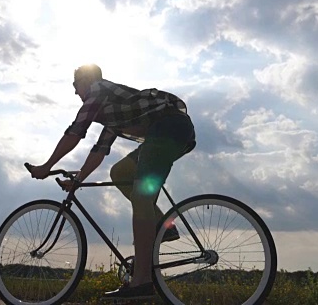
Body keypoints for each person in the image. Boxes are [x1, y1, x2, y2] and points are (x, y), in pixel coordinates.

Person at [28, 64, 195, 299]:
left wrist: (46, 166)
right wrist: (79, 180)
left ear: (86, 80)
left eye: (75, 85)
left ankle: (141, 282)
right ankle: (162, 226)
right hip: (171, 132)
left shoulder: (97, 90)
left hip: (167, 129)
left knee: (140, 196)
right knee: (120, 172)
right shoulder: (112, 110)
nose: (75, 92)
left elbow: (76, 131)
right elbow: (99, 150)